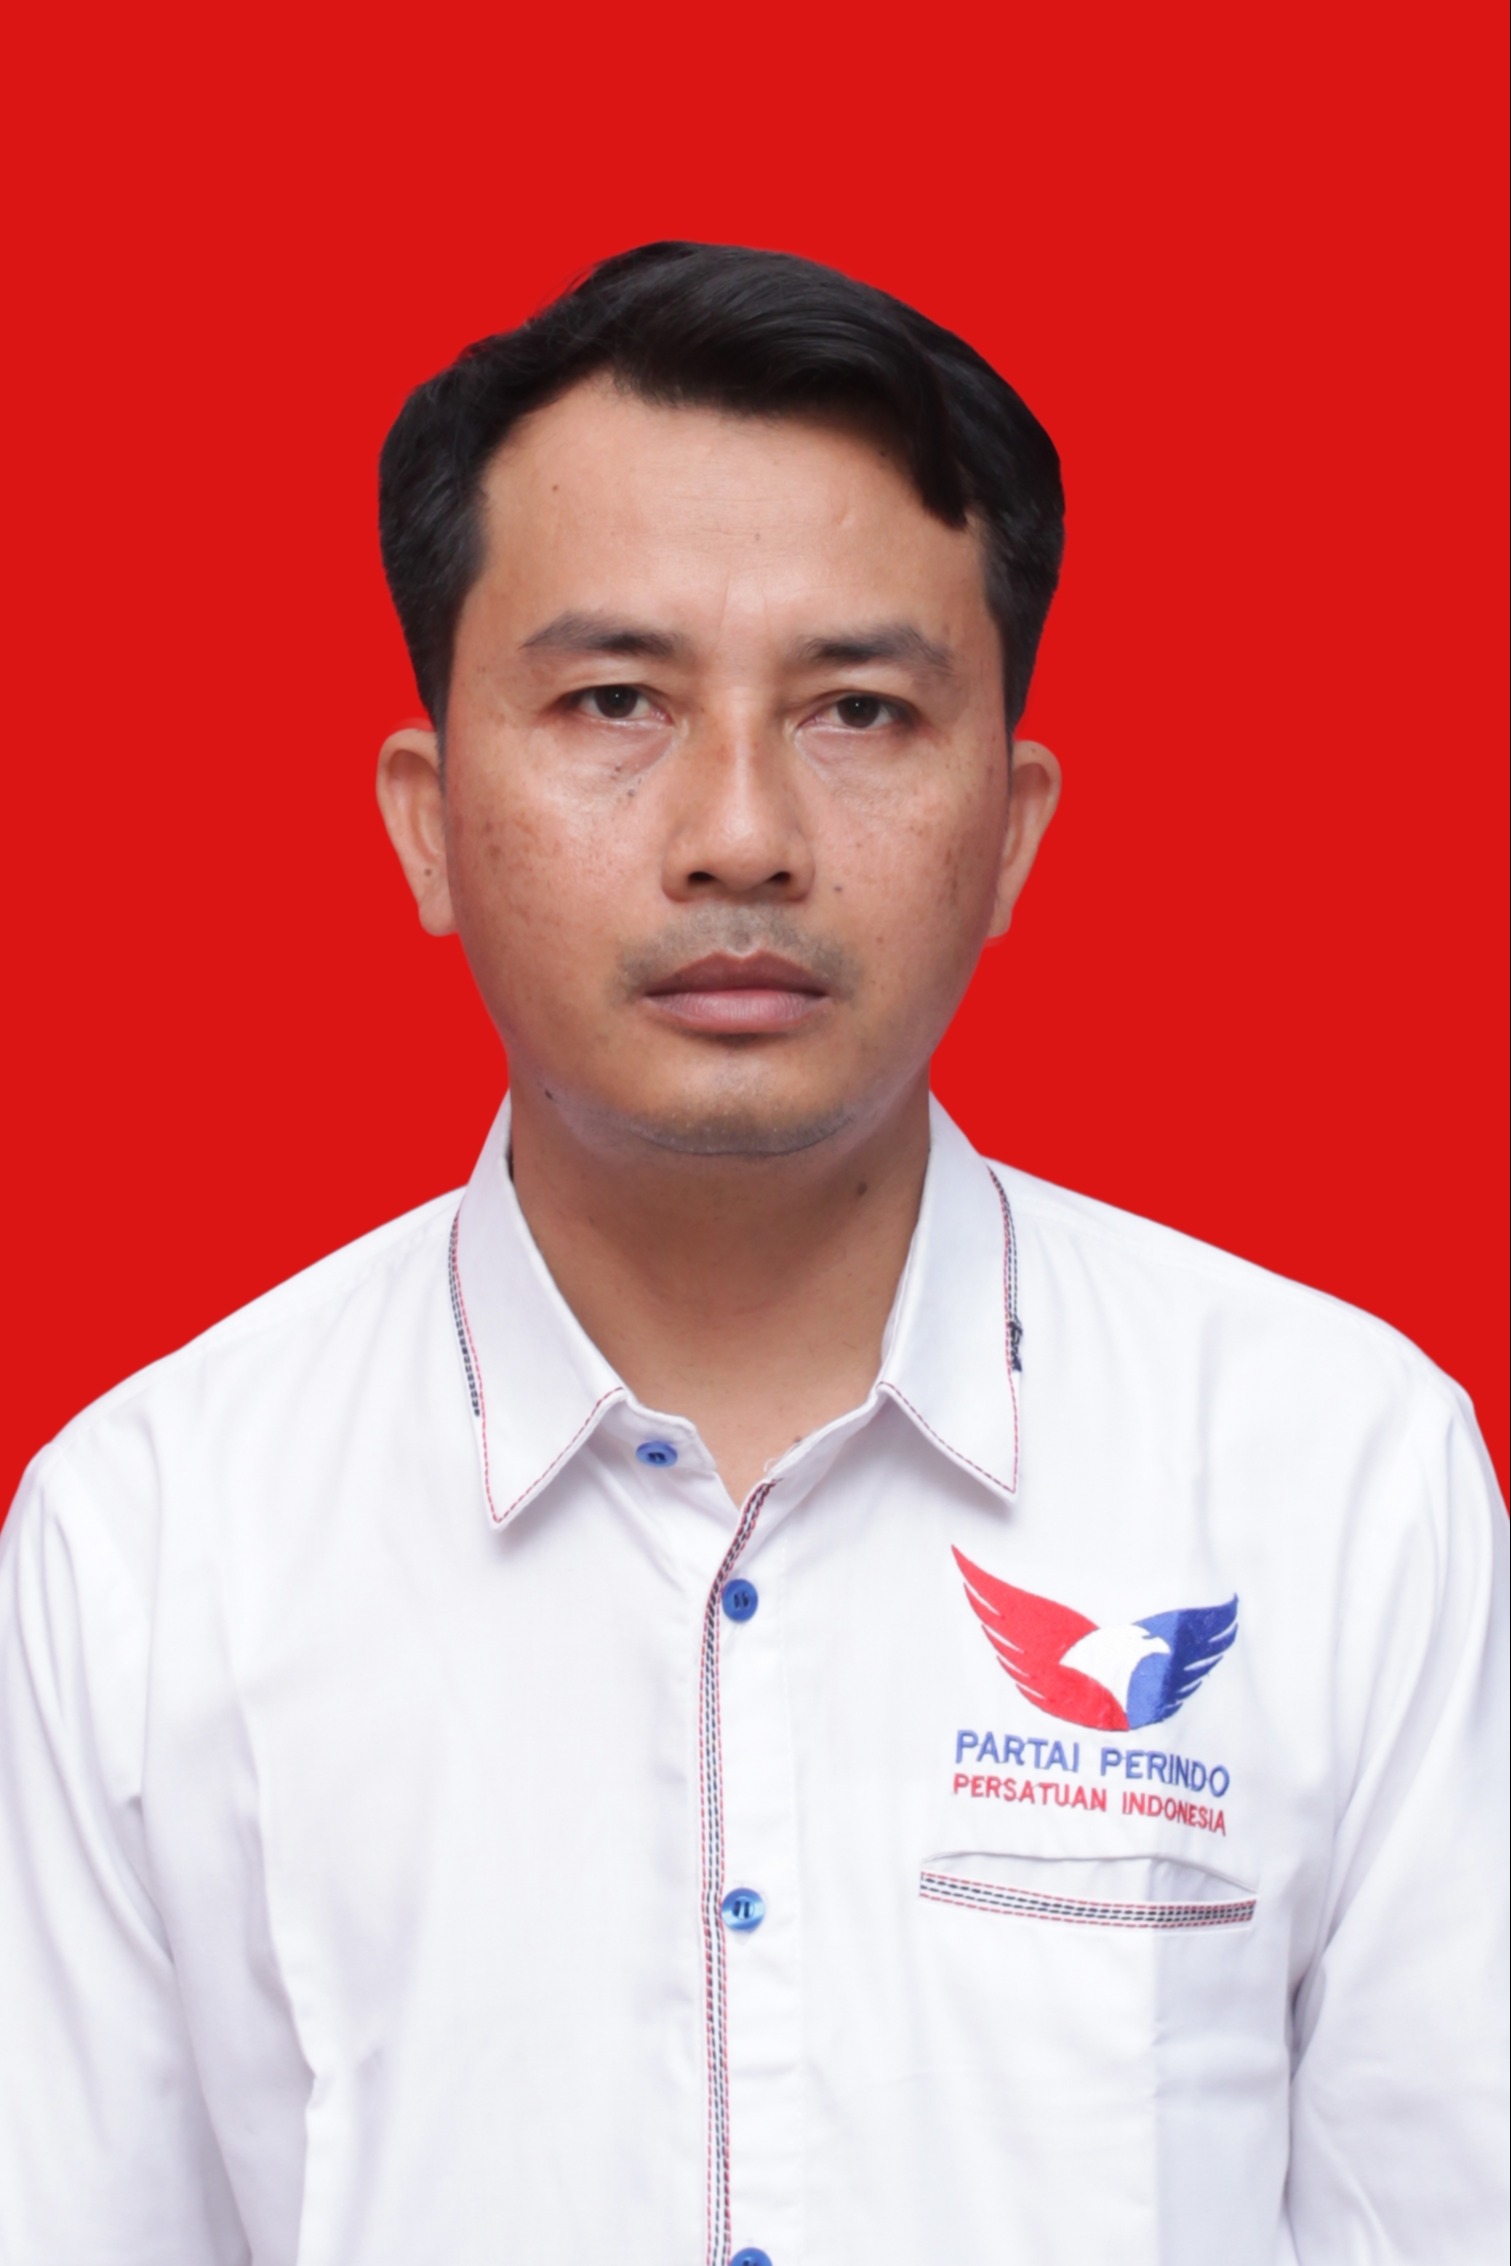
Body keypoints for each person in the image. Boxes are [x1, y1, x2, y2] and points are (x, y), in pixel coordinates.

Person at [0, 241, 1504, 2266]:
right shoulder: (151, 1540)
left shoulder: (1342, 1479)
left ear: (1013, 826)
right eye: (615, 700)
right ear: (428, 818)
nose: (739, 831)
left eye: (859, 708)